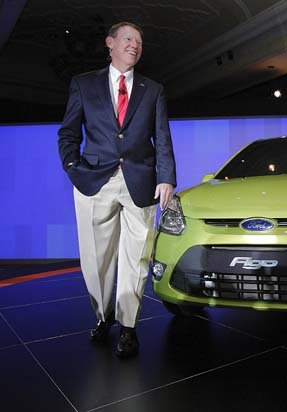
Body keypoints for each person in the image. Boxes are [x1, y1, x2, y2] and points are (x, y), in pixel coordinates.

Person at [58, 22, 176, 358]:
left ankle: (128, 327)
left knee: (137, 257)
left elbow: (162, 137)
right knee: (97, 259)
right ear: (109, 43)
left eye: (139, 41)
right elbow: (68, 133)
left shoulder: (153, 89)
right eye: (128, 39)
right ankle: (102, 315)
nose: (135, 45)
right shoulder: (83, 84)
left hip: (141, 181)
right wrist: (72, 168)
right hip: (94, 181)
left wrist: (166, 176)